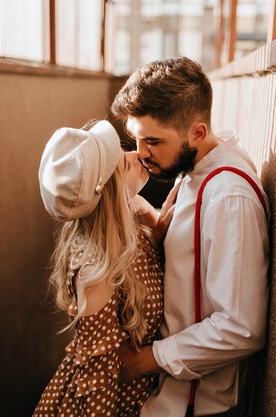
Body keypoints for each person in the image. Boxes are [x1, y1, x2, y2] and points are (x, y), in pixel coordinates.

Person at [110, 57, 270, 416]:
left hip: (194, 406)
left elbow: (241, 327)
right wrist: (152, 221)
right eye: (136, 138)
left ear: (198, 131)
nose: (141, 152)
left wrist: (145, 360)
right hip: (166, 395)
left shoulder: (229, 196)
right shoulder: (193, 166)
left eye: (152, 141)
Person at [32, 120, 177, 417]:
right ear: (111, 196)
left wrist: (158, 229)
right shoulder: (97, 272)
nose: (137, 155)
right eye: (125, 164)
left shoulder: (132, 222)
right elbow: (99, 379)